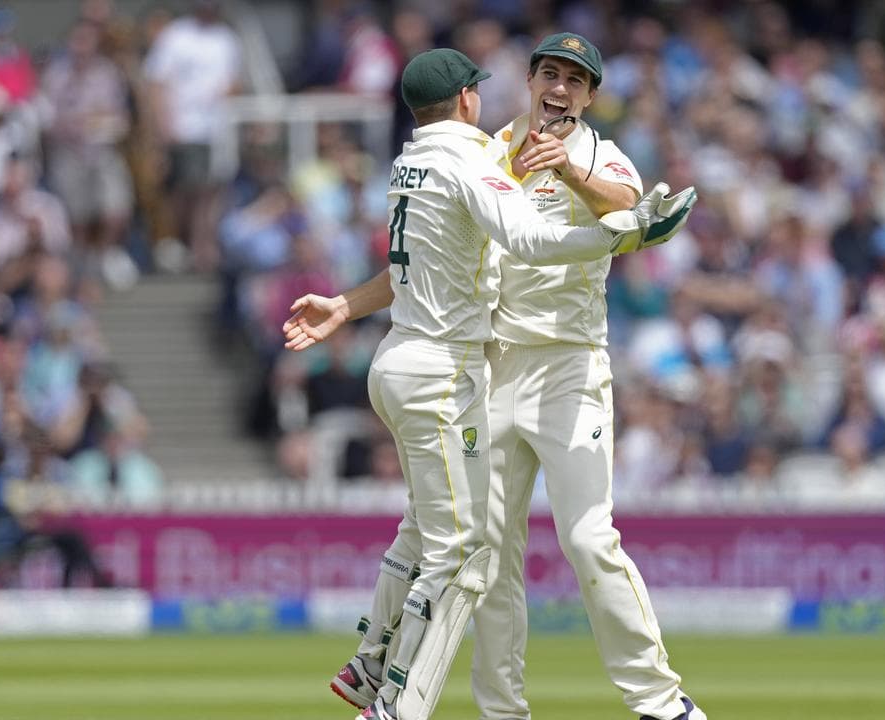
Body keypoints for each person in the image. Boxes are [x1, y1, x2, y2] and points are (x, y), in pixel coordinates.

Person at [292, 36, 707, 720]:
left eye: (576, 80)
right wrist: (345, 304)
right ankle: (502, 711)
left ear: (590, 96)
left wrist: (569, 173)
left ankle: (662, 702)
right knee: (490, 558)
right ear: (530, 79)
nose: (561, 88)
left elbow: (634, 216)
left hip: (571, 369)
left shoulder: (603, 156)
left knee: (587, 540)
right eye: (551, 73)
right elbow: (423, 260)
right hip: (489, 369)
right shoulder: (481, 152)